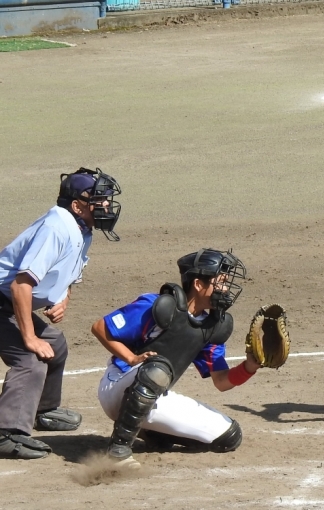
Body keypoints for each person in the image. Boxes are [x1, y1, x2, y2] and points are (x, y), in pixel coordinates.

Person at [92, 248, 258, 468]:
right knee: (157, 368)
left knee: (229, 436)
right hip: (118, 387)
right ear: (198, 284)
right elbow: (100, 328)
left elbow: (221, 381)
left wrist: (250, 366)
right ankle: (117, 451)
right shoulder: (157, 306)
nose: (226, 289)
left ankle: (152, 432)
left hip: (152, 397)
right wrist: (131, 358)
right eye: (221, 282)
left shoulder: (210, 327)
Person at [0, 167, 123, 459]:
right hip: (5, 300)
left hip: (7, 304)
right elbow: (20, 285)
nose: (107, 205)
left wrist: (63, 299)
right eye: (100, 200)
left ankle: (42, 410)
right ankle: (7, 433)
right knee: (31, 359)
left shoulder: (82, 230)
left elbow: (69, 275)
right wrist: (29, 338)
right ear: (78, 206)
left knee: (54, 343)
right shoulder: (57, 228)